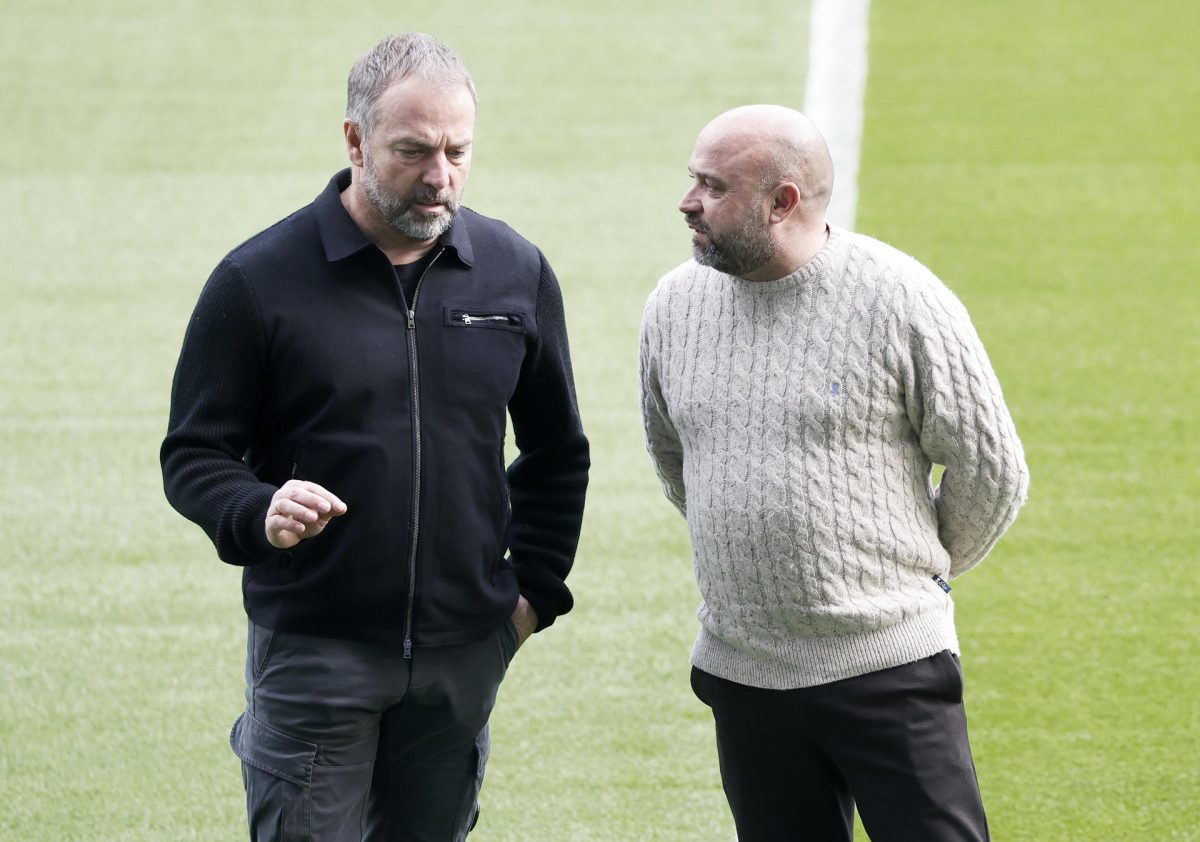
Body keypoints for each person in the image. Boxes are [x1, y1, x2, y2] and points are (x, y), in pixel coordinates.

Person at [161, 33, 589, 841]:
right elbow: (194, 453)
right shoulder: (258, 280)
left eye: (458, 151)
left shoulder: (515, 273)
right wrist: (257, 509)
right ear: (355, 141)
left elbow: (557, 451)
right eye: (413, 151)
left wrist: (531, 599)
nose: (439, 176)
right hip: (316, 652)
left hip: (465, 654)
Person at [639, 105, 1029, 842]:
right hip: (745, 672)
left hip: (890, 671)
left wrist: (911, 576)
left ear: (781, 202)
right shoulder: (672, 308)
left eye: (713, 187)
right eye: (694, 179)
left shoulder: (901, 299)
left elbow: (992, 469)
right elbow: (677, 459)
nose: (688, 201)